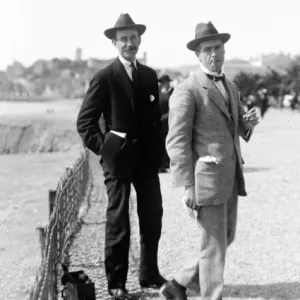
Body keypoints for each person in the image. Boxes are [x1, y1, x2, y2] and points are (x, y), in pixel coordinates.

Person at [160, 21, 259, 300]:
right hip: (206, 179)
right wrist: (187, 186)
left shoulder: (231, 86)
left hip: (230, 175)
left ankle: (177, 285)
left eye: (218, 47)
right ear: (197, 54)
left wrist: (248, 122)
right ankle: (210, 296)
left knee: (224, 239)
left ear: (224, 49)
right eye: (208, 49)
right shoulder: (187, 90)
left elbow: (236, 126)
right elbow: (177, 141)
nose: (214, 53)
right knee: (215, 247)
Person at [76, 13, 166, 300]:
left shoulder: (150, 75)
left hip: (147, 160)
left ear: (139, 40)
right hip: (118, 160)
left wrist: (159, 154)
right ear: (115, 43)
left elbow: (155, 119)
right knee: (118, 222)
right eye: (123, 39)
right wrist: (106, 150)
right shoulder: (104, 77)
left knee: (153, 216)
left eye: (133, 37)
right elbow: (85, 123)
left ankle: (149, 275)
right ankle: (116, 284)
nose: (129, 43)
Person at [158, 74, 174, 172]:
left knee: (167, 143)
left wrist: (162, 117)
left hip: (168, 123)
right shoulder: (158, 93)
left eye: (164, 82)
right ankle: (160, 165)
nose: (163, 84)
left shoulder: (173, 93)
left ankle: (165, 164)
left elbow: (172, 110)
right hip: (159, 124)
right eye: (162, 82)